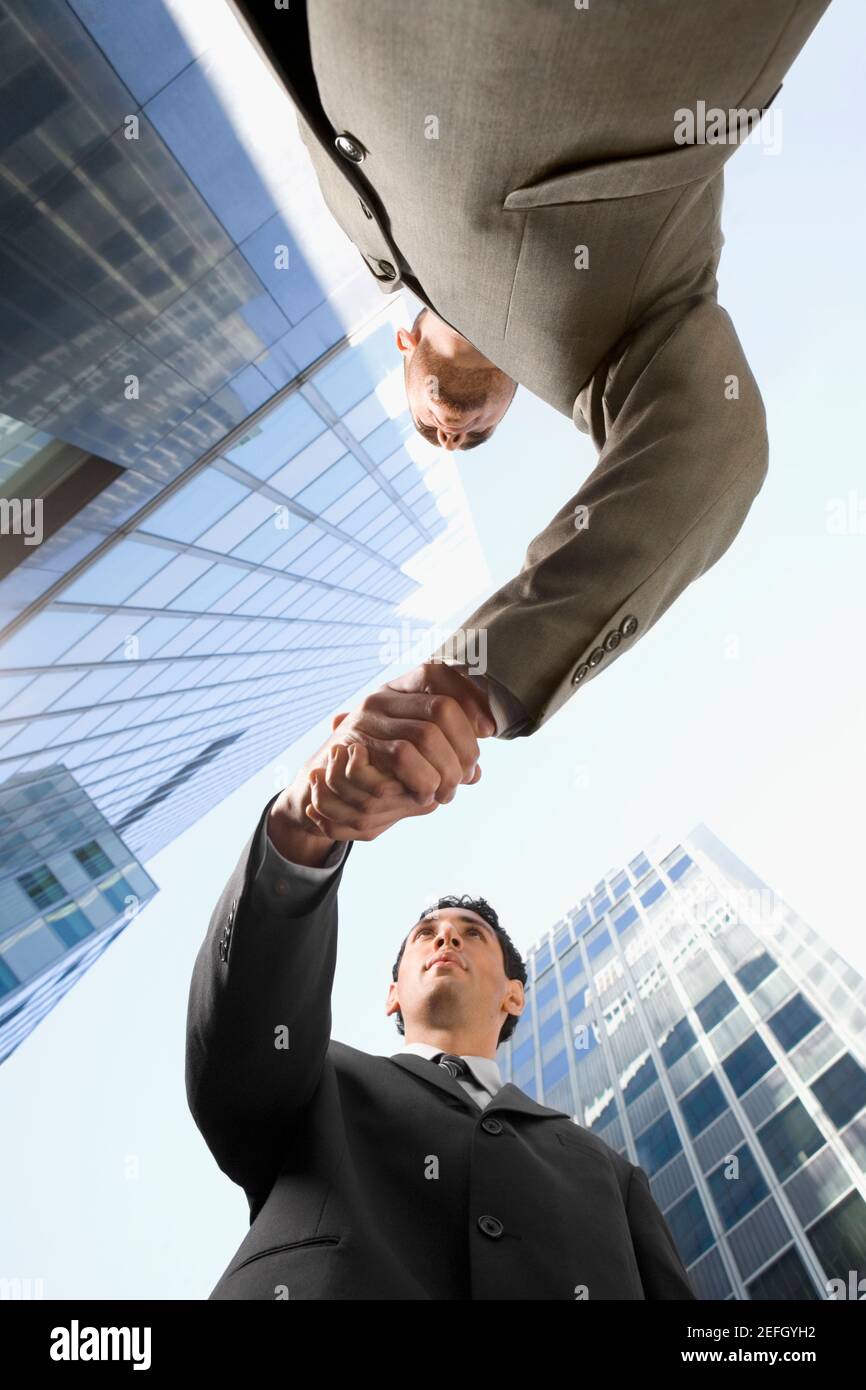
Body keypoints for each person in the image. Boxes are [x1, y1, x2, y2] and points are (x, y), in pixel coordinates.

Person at [228, 0, 831, 742]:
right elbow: (713, 452)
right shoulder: (606, 336)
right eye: (475, 436)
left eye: (428, 426)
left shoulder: (358, 223)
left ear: (402, 355)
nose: (450, 435)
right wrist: (471, 688)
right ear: (514, 394)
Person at [185, 663, 696, 1299]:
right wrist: (305, 828)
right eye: (425, 934)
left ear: (515, 995)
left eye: (470, 934)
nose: (445, 938)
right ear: (393, 993)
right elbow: (239, 1040)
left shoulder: (610, 1173)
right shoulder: (314, 1083)